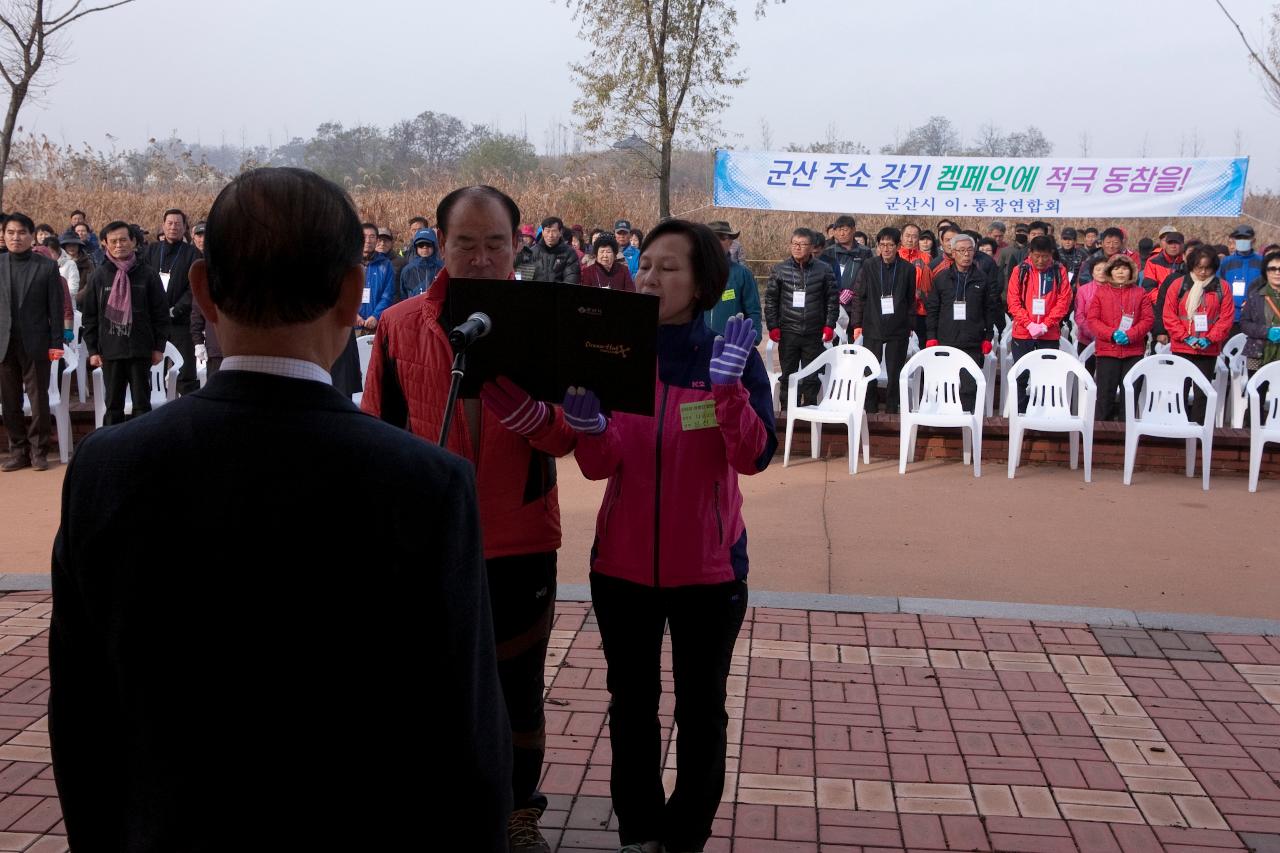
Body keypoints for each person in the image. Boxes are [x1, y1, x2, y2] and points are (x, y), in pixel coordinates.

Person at [50, 168, 511, 852]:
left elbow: (81, 718)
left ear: (203, 290)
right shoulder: (429, 485)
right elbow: (466, 742)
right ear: (353, 291)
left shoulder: (107, 466)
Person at [361, 185, 576, 853]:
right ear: (439, 243)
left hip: (521, 537)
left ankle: (518, 814)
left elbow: (572, 436)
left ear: (518, 243)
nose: (481, 258)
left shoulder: (553, 321)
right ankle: (436, 805)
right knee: (427, 683)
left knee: (517, 688)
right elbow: (376, 434)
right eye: (465, 244)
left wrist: (543, 420)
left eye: (495, 243)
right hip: (427, 541)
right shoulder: (399, 326)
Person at [563, 219, 776, 853]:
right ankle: (638, 834)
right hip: (621, 569)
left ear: (704, 280)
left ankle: (683, 839)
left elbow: (753, 457)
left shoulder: (728, 354)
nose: (650, 276)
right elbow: (599, 467)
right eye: (645, 264)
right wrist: (590, 427)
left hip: (707, 575)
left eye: (668, 267)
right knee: (631, 710)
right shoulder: (614, 353)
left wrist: (729, 387)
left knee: (701, 714)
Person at [81, 221, 169, 425]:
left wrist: (158, 347)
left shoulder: (148, 274)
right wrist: (93, 350)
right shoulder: (98, 276)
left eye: (123, 240)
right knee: (113, 405)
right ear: (105, 244)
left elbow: (160, 314)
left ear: (134, 242)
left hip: (140, 349)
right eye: (113, 241)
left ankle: (141, 448)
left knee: (142, 404)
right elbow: (90, 316)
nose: (119, 245)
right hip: (110, 351)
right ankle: (113, 448)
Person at [0, 213, 64, 472]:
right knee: (9, 401)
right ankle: (18, 451)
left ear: (32, 235)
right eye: (11, 232)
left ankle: (39, 451)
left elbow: (56, 310)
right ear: (4, 235)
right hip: (4, 343)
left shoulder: (46, 266)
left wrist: (56, 343)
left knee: (39, 401)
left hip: (37, 342)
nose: (16, 237)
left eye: (22, 232)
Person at [1161, 245, 1236, 425]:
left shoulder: (1222, 287)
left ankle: (1198, 427)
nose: (1203, 272)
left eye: (1207, 268)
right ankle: (1176, 424)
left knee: (1202, 392)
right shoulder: (1179, 285)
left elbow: (1226, 319)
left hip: (1207, 348)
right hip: (1182, 346)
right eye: (1199, 267)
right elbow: (1169, 315)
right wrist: (1185, 337)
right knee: (1180, 389)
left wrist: (1209, 339)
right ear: (1192, 266)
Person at [924, 234, 999, 413]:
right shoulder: (942, 278)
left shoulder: (982, 278)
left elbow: (989, 309)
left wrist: (988, 337)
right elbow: (933, 309)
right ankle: (943, 421)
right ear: (953, 253)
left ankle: (966, 422)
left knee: (968, 388)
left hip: (972, 341)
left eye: (969, 250)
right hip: (946, 339)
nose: (966, 254)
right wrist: (931, 336)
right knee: (944, 385)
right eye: (961, 251)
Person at [764, 228, 837, 407]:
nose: (798, 248)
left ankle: (810, 410)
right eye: (795, 244)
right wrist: (773, 326)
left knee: (811, 376)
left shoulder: (824, 270)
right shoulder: (780, 269)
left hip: (814, 332)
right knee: (788, 374)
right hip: (788, 332)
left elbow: (832, 300)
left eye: (803, 244)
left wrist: (829, 325)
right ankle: (788, 410)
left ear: (811, 247)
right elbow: (771, 300)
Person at [849, 227, 918, 414]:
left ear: (898, 246)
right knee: (870, 367)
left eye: (890, 245)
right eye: (882, 245)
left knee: (895, 370)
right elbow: (859, 296)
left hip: (898, 326)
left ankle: (891, 406)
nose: (886, 249)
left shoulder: (908, 269)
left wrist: (910, 324)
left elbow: (911, 299)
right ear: (878, 246)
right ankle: (869, 405)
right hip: (873, 323)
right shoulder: (869, 265)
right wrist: (857, 324)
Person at [1007, 235, 1073, 412]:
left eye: (1045, 256)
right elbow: (1013, 301)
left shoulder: (1059, 271)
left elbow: (1064, 301)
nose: (1041, 260)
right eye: (1037, 256)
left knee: (1046, 376)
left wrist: (1046, 324)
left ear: (1051, 254)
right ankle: (1019, 413)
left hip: (1049, 333)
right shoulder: (1020, 270)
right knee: (1021, 375)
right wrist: (1028, 324)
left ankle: (1043, 412)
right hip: (1023, 332)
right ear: (1030, 253)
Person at [1087, 254, 1154, 421]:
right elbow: (1093, 319)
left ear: (1131, 271)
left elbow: (1148, 319)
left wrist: (1130, 335)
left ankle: (1127, 436)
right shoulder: (1101, 292)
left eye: (1124, 268)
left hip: (1133, 351)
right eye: (1116, 268)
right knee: (1105, 397)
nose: (1120, 272)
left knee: (1130, 397)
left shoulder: (1140, 293)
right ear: (1110, 271)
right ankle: (1102, 435)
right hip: (1107, 352)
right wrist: (1111, 334)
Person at [142, 208, 200, 395]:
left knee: (185, 370)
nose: (173, 227)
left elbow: (195, 287)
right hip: (152, 321)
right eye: (170, 223)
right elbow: (141, 280)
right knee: (149, 367)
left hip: (180, 321)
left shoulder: (193, 254)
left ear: (185, 228)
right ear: (163, 226)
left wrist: (177, 309)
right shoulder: (151, 250)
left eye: (178, 224)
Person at [1239, 249, 1280, 420]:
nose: (1277, 273)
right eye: (1272, 269)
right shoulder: (1255, 296)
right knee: (1256, 394)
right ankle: (1251, 433)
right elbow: (1244, 324)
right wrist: (1266, 332)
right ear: (1265, 271)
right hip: (1257, 352)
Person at [705, 221, 762, 343]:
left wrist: (753, 339)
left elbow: (753, 310)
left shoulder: (743, 274)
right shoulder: (693, 273)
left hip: (731, 345)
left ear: (730, 242)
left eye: (721, 237)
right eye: (711, 237)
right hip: (698, 346)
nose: (716, 242)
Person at [821, 215, 871, 311]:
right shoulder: (828, 252)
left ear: (853, 230)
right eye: (838, 230)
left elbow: (868, 277)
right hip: (833, 304)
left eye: (845, 230)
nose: (841, 233)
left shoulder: (865, 252)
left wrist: (853, 292)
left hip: (857, 304)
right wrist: (837, 294)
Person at [1218, 224, 1265, 325]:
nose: (1242, 240)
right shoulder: (1225, 262)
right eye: (1239, 238)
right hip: (1231, 317)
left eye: (1246, 238)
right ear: (1234, 240)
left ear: (1253, 240)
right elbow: (1217, 287)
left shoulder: (1262, 262)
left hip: (1256, 317)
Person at [357, 222, 395, 333]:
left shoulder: (385, 264)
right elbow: (343, 294)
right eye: (364, 236)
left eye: (372, 236)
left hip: (376, 325)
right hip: (352, 325)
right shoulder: (349, 263)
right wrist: (352, 315)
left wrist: (376, 316)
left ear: (377, 240)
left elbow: (387, 295)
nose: (368, 240)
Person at [530, 216, 581, 284]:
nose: (550, 235)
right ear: (542, 232)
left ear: (560, 232)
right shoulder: (532, 252)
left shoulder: (569, 254)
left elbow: (572, 278)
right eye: (547, 231)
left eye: (554, 231)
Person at [397, 227, 443, 300]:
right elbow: (403, 295)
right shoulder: (407, 270)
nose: (425, 248)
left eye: (428, 244)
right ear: (416, 248)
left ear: (434, 246)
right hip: (414, 308)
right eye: (421, 245)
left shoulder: (442, 268)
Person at [1074, 256, 1109, 348]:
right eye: (1098, 270)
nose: (1101, 273)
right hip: (1086, 340)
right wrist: (1092, 333)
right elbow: (1079, 315)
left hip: (1109, 339)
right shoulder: (1083, 290)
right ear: (1092, 273)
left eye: (1105, 270)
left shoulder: (1115, 290)